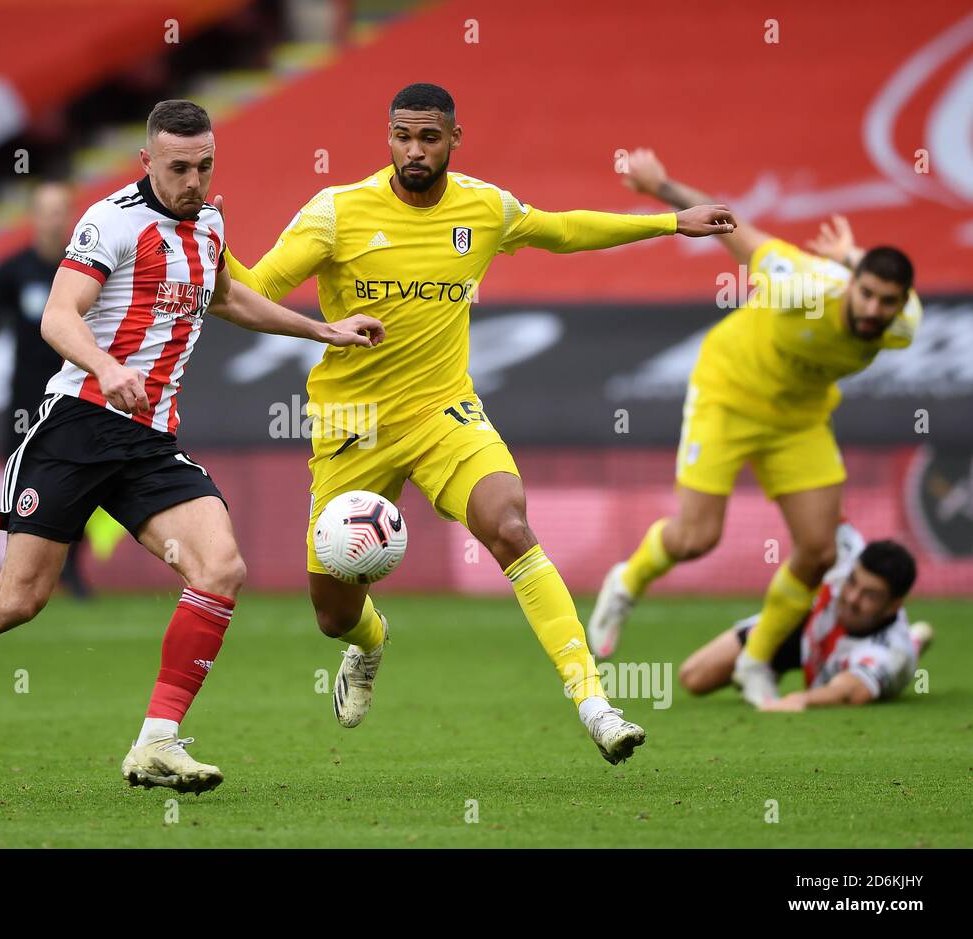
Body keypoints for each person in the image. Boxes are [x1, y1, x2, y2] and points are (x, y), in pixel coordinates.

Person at [0, 100, 384, 794]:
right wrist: (108, 369)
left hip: (151, 441)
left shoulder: (210, 225)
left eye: (204, 166)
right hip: (78, 425)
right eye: (178, 167)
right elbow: (58, 314)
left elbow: (229, 298)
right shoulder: (110, 221)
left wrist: (323, 329)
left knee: (220, 566)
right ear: (147, 161)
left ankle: (156, 743)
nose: (193, 180)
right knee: (21, 598)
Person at [226, 83, 736, 764]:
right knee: (332, 614)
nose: (414, 150)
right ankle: (371, 641)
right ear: (388, 136)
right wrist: (214, 244)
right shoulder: (336, 213)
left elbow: (563, 229)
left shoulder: (484, 207)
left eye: (429, 137)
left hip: (445, 412)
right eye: (403, 136)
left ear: (454, 139)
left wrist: (671, 223)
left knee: (512, 526)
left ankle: (594, 701)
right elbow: (254, 293)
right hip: (352, 426)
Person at [587, 148, 922, 709]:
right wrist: (661, 185)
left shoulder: (903, 324)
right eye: (865, 293)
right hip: (729, 393)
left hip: (799, 418)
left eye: (885, 302)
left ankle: (756, 658)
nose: (872, 309)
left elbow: (889, 288)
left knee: (818, 551)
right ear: (849, 284)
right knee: (696, 538)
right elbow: (729, 223)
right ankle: (626, 582)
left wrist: (855, 253)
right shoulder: (803, 285)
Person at [0, 180, 99, 598]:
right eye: (46, 210)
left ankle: (70, 572)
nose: (54, 218)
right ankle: (21, 575)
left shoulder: (86, 268)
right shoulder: (12, 271)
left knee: (80, 480)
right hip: (26, 398)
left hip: (76, 392)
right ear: (33, 217)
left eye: (61, 210)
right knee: (25, 482)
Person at [678, 524, 931, 710]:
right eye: (852, 582)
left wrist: (799, 699)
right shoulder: (847, 550)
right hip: (810, 626)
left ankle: (916, 639)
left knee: (906, 653)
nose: (852, 597)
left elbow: (848, 694)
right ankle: (769, 666)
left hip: (857, 661)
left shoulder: (889, 655)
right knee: (694, 677)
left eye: (870, 595)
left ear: (893, 605)